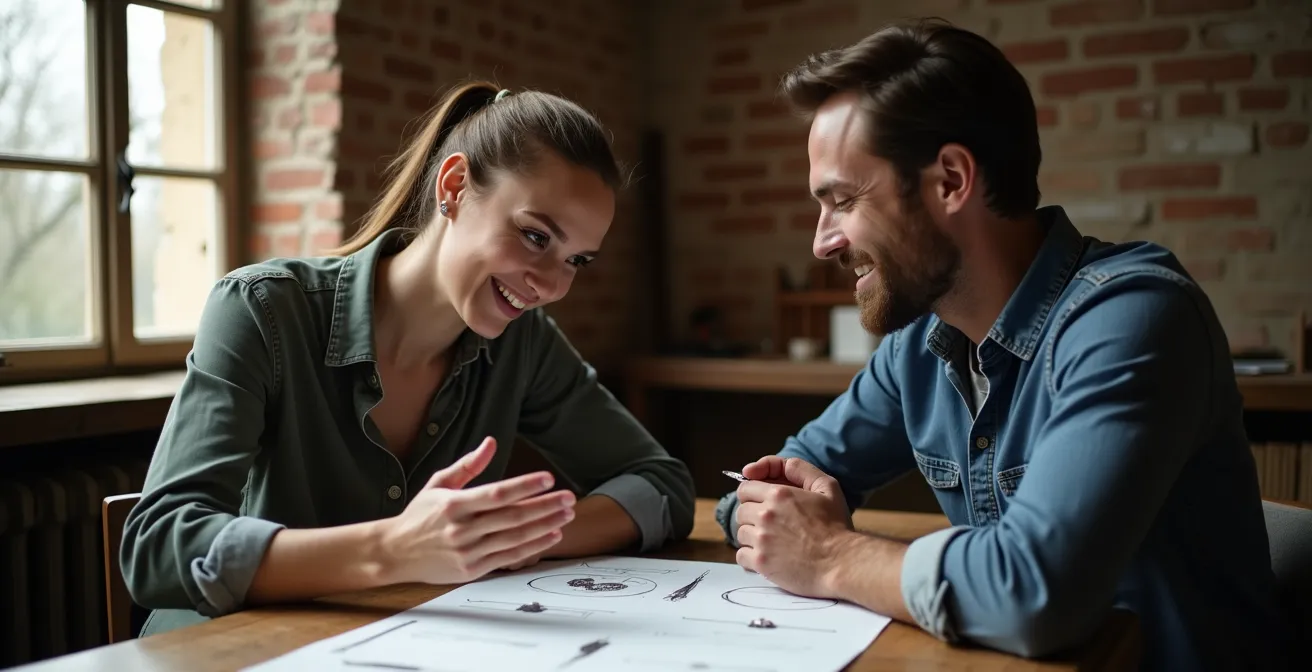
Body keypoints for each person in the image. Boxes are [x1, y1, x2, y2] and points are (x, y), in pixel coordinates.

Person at [714, 19, 1292, 672]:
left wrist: (827, 554)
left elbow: (1033, 594)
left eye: (843, 199)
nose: (822, 242)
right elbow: (766, 488)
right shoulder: (917, 346)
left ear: (951, 180)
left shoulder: (1133, 319)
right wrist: (775, 519)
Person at [122, 81, 695, 636]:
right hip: (224, 650)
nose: (550, 285)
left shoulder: (524, 344)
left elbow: (662, 485)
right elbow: (158, 547)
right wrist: (396, 549)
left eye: (577, 261)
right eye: (536, 237)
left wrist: (510, 540)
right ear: (454, 186)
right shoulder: (262, 310)